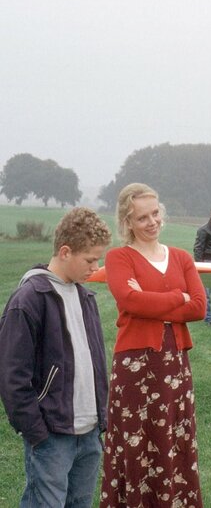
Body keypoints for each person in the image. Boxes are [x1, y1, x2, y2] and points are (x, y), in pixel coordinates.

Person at [100, 183, 207, 507]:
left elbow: (200, 307)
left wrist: (153, 302)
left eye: (155, 213)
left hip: (174, 364)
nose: (151, 222)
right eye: (142, 217)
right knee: (135, 440)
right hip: (135, 368)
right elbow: (130, 301)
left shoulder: (182, 257)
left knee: (173, 438)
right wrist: (178, 298)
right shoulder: (119, 257)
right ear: (128, 222)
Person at [0, 207, 112, 508]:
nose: (95, 266)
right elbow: (12, 376)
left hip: (89, 433)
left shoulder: (85, 297)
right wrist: (37, 432)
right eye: (90, 259)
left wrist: (101, 416)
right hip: (51, 435)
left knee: (79, 503)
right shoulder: (29, 300)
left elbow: (93, 363)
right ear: (65, 251)